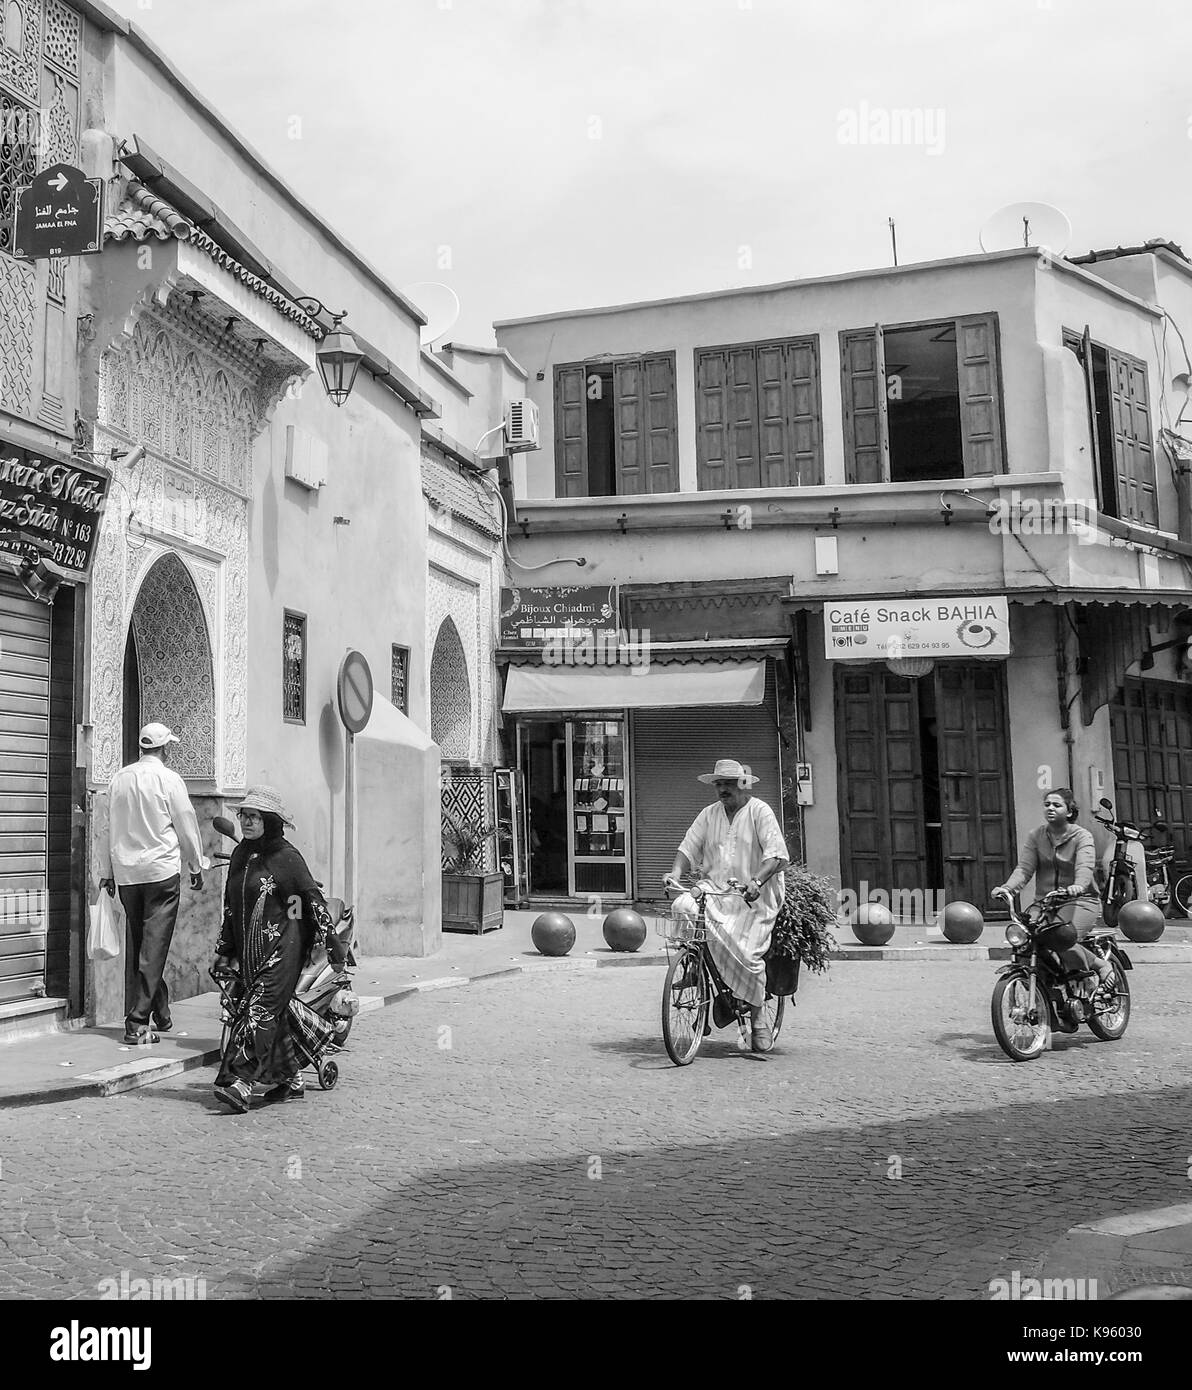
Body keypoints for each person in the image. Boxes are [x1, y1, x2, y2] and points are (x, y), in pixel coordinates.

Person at [210, 786, 336, 1113]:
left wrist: (329, 939)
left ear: (269, 820)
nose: (248, 822)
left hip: (284, 947)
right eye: (244, 816)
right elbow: (231, 906)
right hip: (251, 950)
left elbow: (309, 899)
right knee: (269, 1014)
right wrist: (226, 947)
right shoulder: (241, 855)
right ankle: (290, 1079)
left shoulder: (287, 857)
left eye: (254, 817)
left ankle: (242, 1082)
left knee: (259, 1010)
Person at [663, 757, 790, 1053]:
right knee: (683, 905)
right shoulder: (709, 815)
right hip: (715, 888)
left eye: (729, 784)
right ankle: (695, 970)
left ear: (742, 785)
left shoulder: (760, 812)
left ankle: (758, 1017)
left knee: (748, 953)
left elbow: (776, 856)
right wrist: (675, 873)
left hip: (753, 896)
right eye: (719, 784)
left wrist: (756, 882)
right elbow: (688, 847)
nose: (723, 789)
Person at [98, 722, 205, 1046]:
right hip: (160, 873)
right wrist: (196, 863)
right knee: (153, 946)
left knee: (145, 944)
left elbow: (107, 827)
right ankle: (137, 1023)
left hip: (128, 874)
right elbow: (185, 822)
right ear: (165, 748)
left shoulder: (119, 779)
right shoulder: (169, 779)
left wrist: (107, 871)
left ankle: (161, 1011)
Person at [993, 788, 1114, 997]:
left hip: (1080, 900)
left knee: (1060, 937)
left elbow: (1084, 867)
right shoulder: (1037, 836)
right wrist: (1007, 888)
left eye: (1056, 805)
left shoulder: (1082, 836)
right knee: (1024, 939)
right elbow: (1024, 869)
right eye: (1047, 804)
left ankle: (1100, 965)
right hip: (1045, 903)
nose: (1050, 808)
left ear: (1069, 811)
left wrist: (1078, 885)